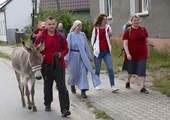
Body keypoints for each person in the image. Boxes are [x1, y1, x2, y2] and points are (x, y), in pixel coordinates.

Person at [34, 16, 71, 117]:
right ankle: (47, 103)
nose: (51, 26)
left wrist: (60, 54)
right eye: (49, 24)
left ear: (56, 24)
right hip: (46, 66)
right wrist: (40, 55)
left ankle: (64, 109)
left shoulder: (61, 36)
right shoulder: (40, 37)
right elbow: (35, 50)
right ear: (45, 25)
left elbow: (66, 49)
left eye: (53, 24)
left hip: (59, 65)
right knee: (47, 85)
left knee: (62, 87)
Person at [64, 20, 101, 98]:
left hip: (82, 56)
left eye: (81, 26)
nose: (80, 28)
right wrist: (66, 59)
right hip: (73, 56)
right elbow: (68, 48)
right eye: (78, 26)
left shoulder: (83, 35)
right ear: (75, 26)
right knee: (74, 73)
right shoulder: (70, 35)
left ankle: (83, 90)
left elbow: (86, 47)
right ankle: (72, 84)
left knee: (83, 72)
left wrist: (89, 56)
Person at [91, 14, 119, 92]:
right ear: (100, 20)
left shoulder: (108, 28)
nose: (105, 21)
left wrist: (110, 35)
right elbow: (93, 39)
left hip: (106, 51)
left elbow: (109, 38)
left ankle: (113, 85)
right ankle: (97, 84)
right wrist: (94, 48)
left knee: (110, 68)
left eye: (106, 19)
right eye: (104, 20)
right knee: (97, 69)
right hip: (98, 52)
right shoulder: (95, 29)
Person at [122, 14, 149, 94]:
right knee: (131, 70)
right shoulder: (128, 31)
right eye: (134, 20)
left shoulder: (143, 29)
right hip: (132, 54)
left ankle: (142, 87)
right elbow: (125, 44)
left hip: (142, 53)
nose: (136, 22)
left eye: (137, 20)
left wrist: (148, 52)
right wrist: (128, 54)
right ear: (131, 22)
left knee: (142, 70)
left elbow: (147, 41)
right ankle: (128, 81)